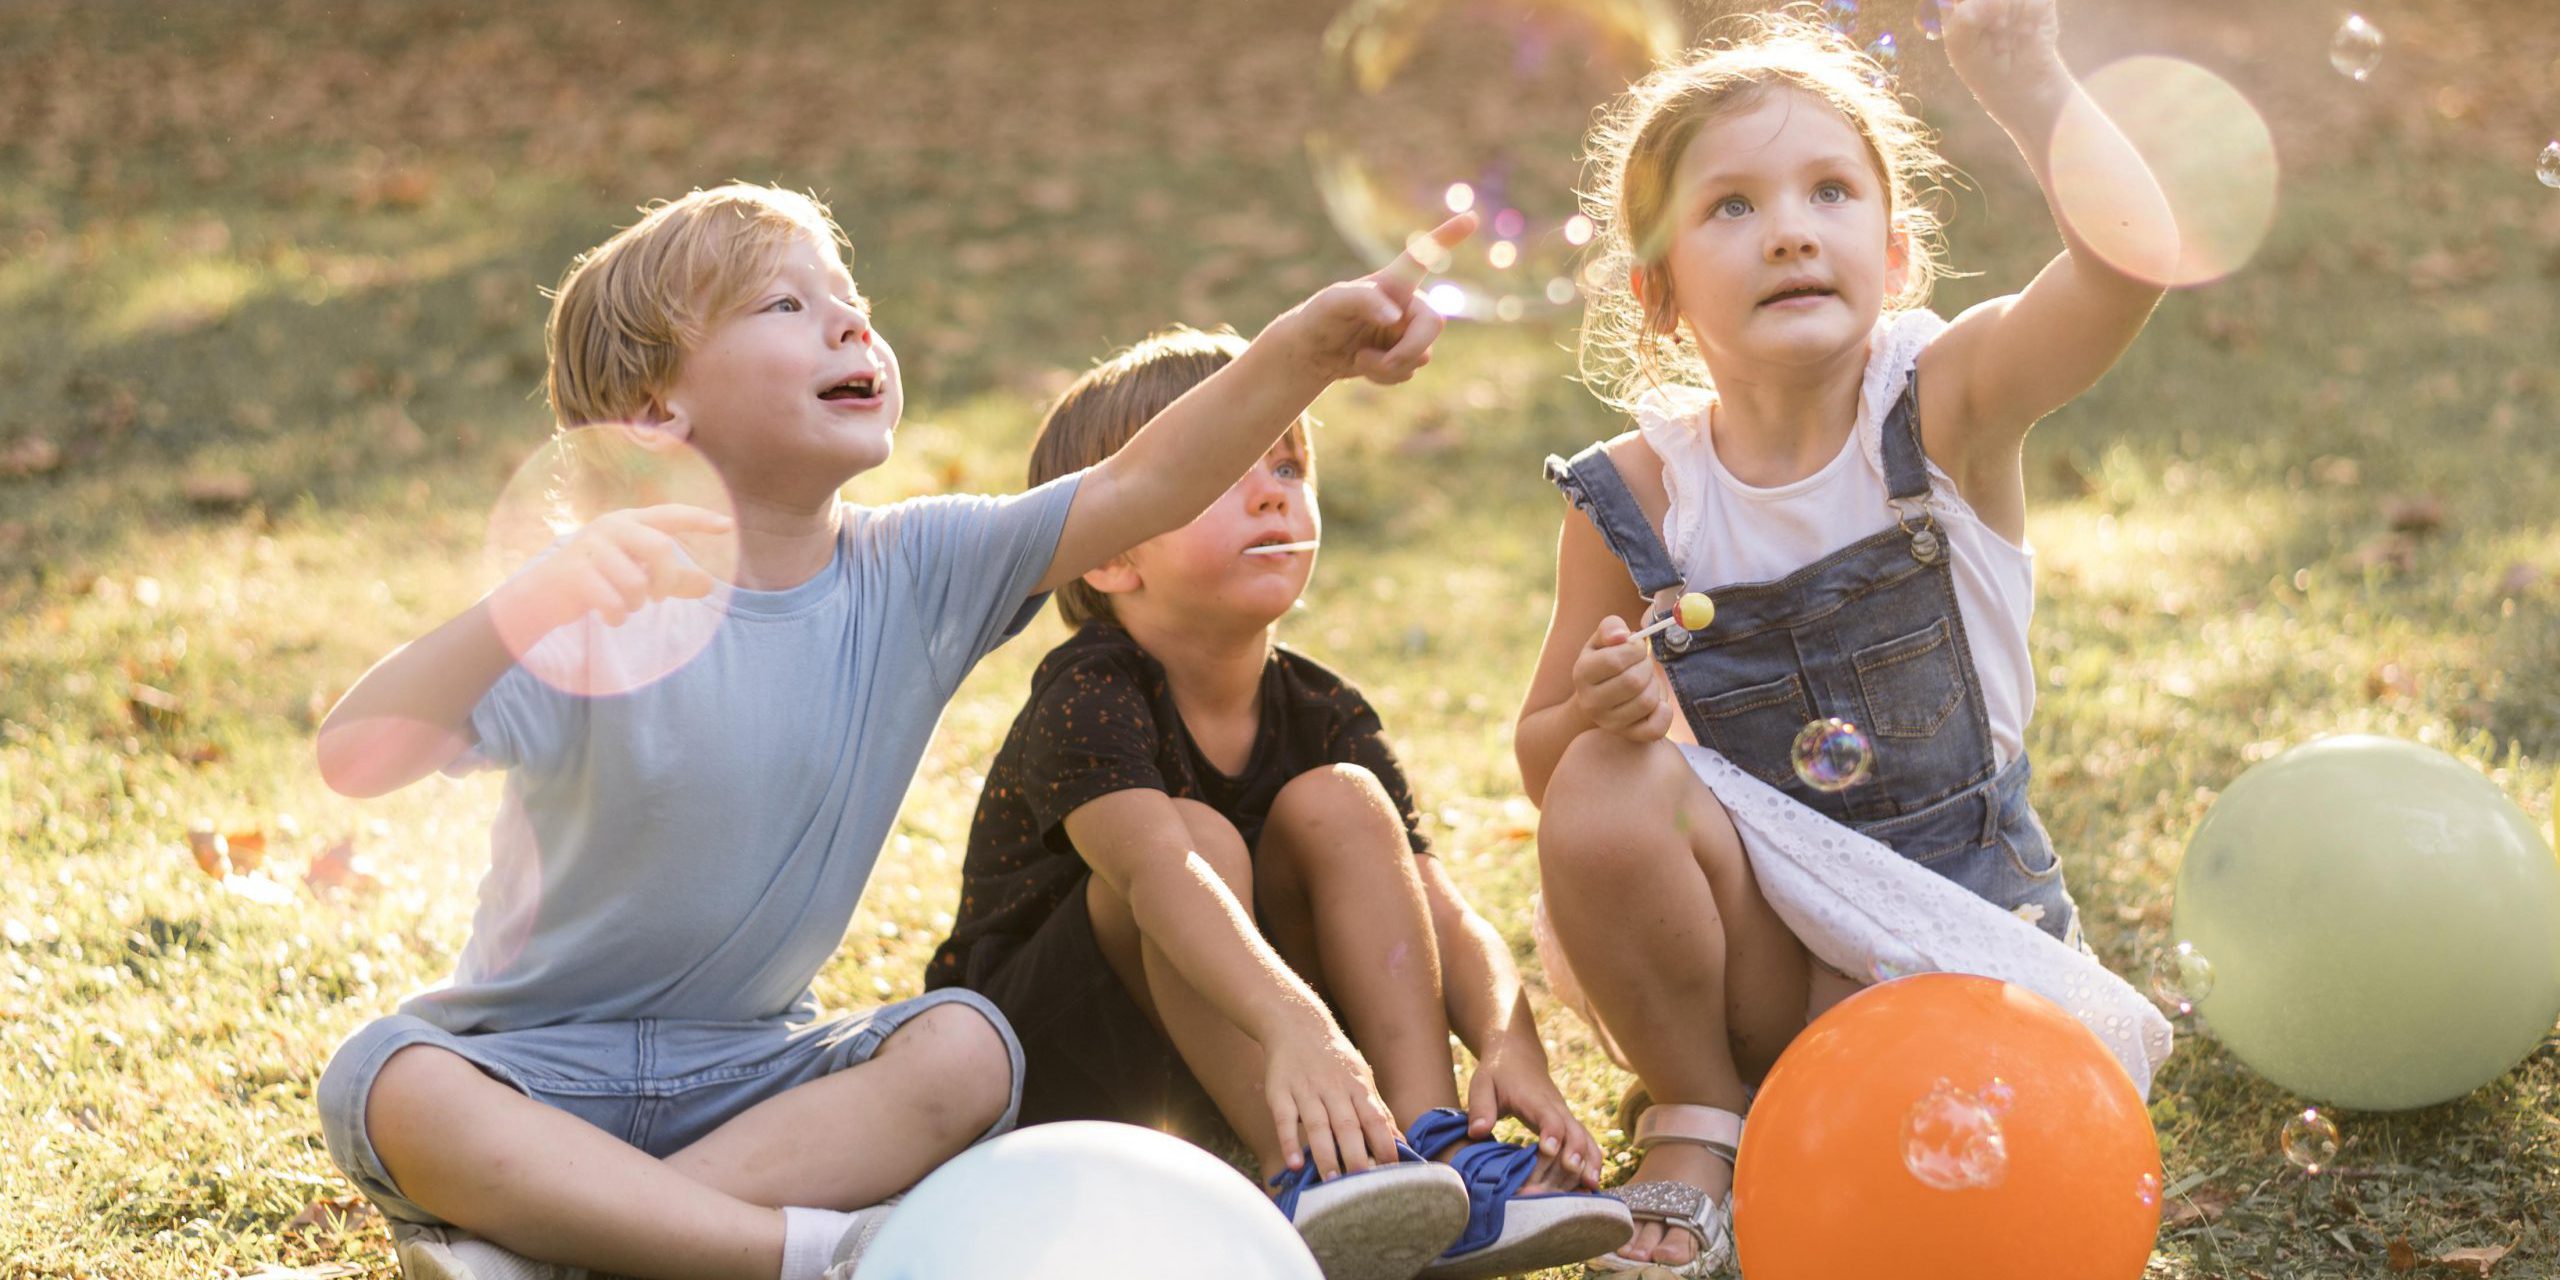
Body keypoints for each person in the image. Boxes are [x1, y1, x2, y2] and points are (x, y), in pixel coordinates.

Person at [311, 182, 1471, 1280]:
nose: (849, 325)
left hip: (753, 1073)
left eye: (852, 305)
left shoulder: (915, 572)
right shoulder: (582, 605)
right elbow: (354, 754)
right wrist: (523, 606)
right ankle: (792, 1251)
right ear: (656, 408)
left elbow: (1145, 481)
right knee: (389, 1077)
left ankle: (575, 1237)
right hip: (532, 1067)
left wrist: (1305, 352)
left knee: (967, 1046)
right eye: (787, 306)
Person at [1517, 5, 2176, 1273]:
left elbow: (2131, 262)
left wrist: (2022, 75)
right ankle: (1700, 1113)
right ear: (1654, 294)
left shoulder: (1946, 408)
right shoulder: (1638, 494)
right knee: (1607, 790)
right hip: (1765, 947)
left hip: (1961, 931)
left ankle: (1816, 1102)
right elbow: (1546, 766)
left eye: (1828, 191)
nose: (1789, 228)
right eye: (1729, 207)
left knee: (1950, 1147)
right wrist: (1605, 710)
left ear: (1898, 250)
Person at [925, 326, 1632, 1280]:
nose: (1273, 490)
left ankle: (1431, 1148)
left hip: (1268, 1045)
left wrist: (1510, 1043)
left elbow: (1437, 905)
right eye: (1223, 471)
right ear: (1108, 554)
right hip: (1057, 1061)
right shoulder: (1087, 690)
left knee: (1342, 802)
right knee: (1196, 835)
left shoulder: (1323, 707)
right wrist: (1297, 1024)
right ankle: (1316, 1175)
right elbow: (1154, 870)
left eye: (1289, 464)